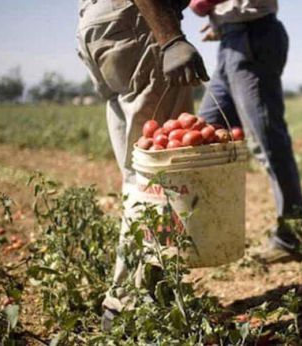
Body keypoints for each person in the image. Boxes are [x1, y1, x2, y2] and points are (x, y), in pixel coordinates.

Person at [75, 0, 209, 331]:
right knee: (160, 176)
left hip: (100, 25)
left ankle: (147, 295)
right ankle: (129, 306)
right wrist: (170, 37)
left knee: (140, 174)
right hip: (138, 22)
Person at [189, 0, 302, 262]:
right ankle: (209, 231)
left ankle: (293, 236)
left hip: (253, 36)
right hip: (231, 40)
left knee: (267, 141)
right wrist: (221, 22)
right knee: (205, 133)